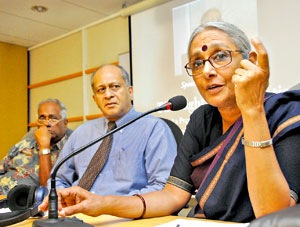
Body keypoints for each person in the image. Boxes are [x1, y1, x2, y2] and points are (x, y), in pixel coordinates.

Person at [39, 22, 300, 223]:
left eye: (220, 56)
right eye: (197, 62)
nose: (208, 71)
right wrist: (101, 203)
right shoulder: (203, 118)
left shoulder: (286, 112)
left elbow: (273, 216)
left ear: (250, 61)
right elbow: (172, 196)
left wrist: (252, 109)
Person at [49, 64, 177, 195]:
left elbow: (163, 187)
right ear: (95, 99)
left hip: (124, 213)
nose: (108, 94)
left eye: (115, 87)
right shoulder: (82, 132)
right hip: (77, 211)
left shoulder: (154, 129)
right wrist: (63, 199)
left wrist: (111, 205)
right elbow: (57, 179)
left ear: (130, 92)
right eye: (101, 90)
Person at [0, 98, 72, 195]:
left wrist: (44, 147)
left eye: (53, 118)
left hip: (21, 205)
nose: (46, 123)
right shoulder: (23, 144)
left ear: (65, 122)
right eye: (42, 118)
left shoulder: (70, 151)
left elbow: (49, 191)